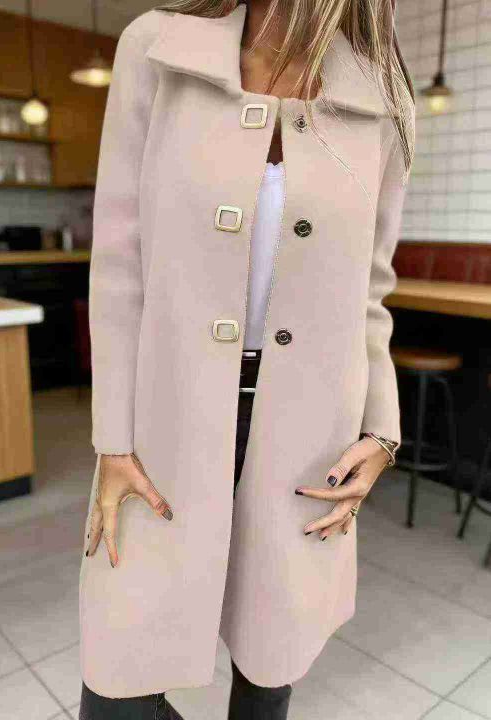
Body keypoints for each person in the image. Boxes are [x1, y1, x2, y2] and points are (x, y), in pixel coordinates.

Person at [79, 1, 415, 718]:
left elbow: (371, 288)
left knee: (269, 668)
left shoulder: (380, 93)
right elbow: (118, 266)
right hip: (164, 427)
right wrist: (112, 440)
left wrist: (382, 433)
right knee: (117, 687)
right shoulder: (158, 49)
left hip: (311, 440)